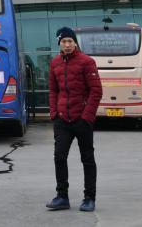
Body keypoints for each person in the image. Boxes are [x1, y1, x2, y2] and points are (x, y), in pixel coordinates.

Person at [46, 26, 102, 212]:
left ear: (75, 42)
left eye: (70, 41)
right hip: (62, 120)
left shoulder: (87, 62)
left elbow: (96, 91)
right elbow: (54, 90)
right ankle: (62, 197)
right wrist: (54, 113)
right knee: (59, 157)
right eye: (64, 42)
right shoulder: (55, 63)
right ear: (59, 44)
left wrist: (87, 116)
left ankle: (89, 198)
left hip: (82, 119)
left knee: (87, 158)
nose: (67, 45)